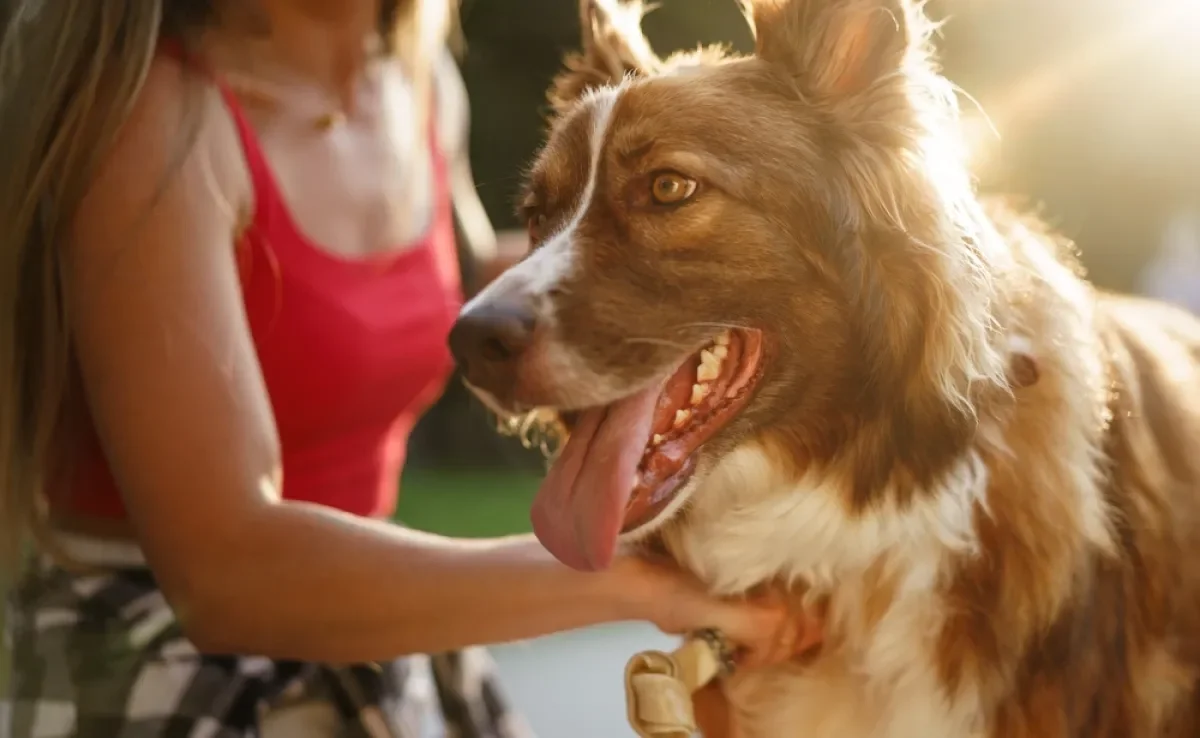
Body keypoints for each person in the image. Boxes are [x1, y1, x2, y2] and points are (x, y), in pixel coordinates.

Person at [0, 1, 817, 735]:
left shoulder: (413, 83)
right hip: (150, 664)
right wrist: (652, 584)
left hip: (378, 630)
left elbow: (476, 297)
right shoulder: (147, 117)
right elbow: (224, 577)